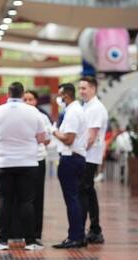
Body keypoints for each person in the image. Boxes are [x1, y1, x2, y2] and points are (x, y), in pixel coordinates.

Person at [0, 82, 46, 251]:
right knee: (27, 201)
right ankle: (31, 241)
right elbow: (41, 138)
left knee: (5, 200)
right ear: (22, 94)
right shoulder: (33, 112)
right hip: (28, 162)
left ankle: (3, 241)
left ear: (8, 93)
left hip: (4, 162)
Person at [52, 83, 88, 249]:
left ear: (66, 95)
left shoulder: (73, 112)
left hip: (70, 159)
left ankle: (75, 237)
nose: (58, 99)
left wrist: (52, 131)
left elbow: (68, 139)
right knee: (75, 199)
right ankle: (78, 235)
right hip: (75, 158)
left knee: (72, 199)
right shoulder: (73, 110)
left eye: (60, 95)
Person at [78, 76, 108, 244]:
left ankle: (88, 230)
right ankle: (94, 229)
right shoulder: (87, 106)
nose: (81, 91)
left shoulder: (96, 108)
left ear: (93, 89)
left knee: (84, 191)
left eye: (84, 88)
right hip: (86, 155)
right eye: (80, 88)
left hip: (89, 156)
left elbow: (91, 136)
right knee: (88, 191)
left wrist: (79, 153)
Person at [23, 90, 52, 243]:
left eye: (31, 99)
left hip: (38, 160)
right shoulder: (17, 117)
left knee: (37, 198)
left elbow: (47, 139)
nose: (28, 102)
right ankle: (20, 232)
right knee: (21, 198)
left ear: (36, 101)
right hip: (21, 160)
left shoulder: (42, 117)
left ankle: (35, 234)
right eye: (25, 99)